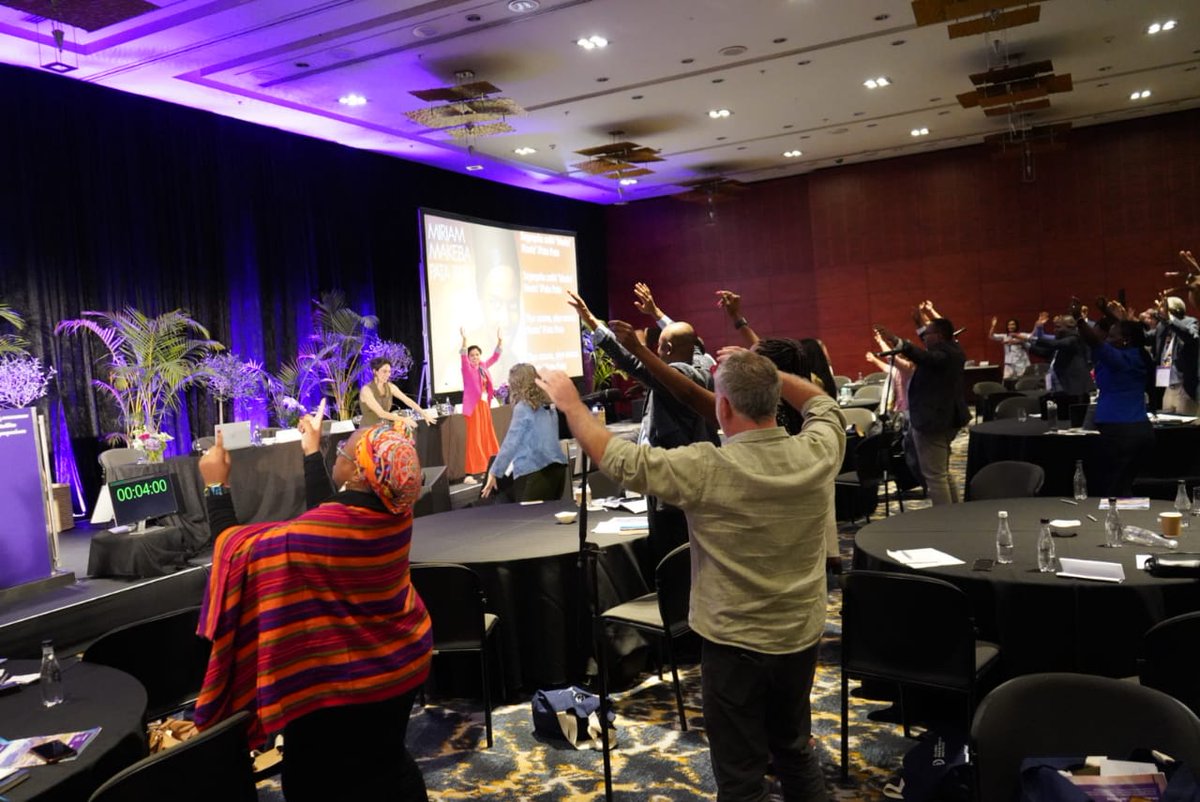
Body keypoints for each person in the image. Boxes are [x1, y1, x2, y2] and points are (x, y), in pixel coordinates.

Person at [537, 348, 844, 802]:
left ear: (722, 406)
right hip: (800, 636)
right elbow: (823, 404)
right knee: (795, 753)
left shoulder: (706, 467)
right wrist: (767, 374)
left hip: (734, 646)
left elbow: (619, 460)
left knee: (741, 778)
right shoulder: (818, 451)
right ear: (775, 399)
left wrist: (572, 404)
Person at [194, 416, 431, 802]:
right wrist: (311, 451)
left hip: (328, 736)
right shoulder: (393, 515)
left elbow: (237, 550)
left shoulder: (302, 541)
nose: (336, 453)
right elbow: (330, 513)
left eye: (342, 451)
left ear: (356, 471)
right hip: (396, 679)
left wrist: (216, 486)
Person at [567, 289, 718, 572]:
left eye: (660, 347)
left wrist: (591, 321)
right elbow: (694, 344)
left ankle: (673, 607)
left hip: (673, 487)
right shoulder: (702, 364)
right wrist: (657, 314)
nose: (657, 353)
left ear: (668, 351)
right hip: (693, 479)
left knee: (672, 559)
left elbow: (633, 362)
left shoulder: (680, 377)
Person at [874, 316, 968, 506]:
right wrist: (918, 325)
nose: (924, 337)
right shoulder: (953, 349)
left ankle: (945, 520)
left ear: (939, 336)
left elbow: (923, 356)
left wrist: (895, 340)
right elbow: (926, 353)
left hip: (932, 421)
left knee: (934, 476)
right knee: (942, 471)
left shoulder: (941, 355)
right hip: (947, 418)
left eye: (927, 334)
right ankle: (956, 512)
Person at [1076, 301, 1156, 495]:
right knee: (1123, 485)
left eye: (1112, 337)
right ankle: (1125, 519)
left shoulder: (1122, 359)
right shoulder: (1136, 354)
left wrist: (1079, 319)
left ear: (1125, 340)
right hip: (1134, 429)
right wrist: (1109, 313)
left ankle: (1119, 521)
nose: (1107, 339)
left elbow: (1094, 341)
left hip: (1120, 431)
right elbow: (1126, 330)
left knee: (1115, 488)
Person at [481, 363, 569, 502]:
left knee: (530, 520)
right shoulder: (548, 404)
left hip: (535, 472)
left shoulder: (523, 408)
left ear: (516, 383)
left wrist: (494, 472)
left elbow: (511, 442)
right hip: (558, 470)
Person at [461, 326, 502, 483]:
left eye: (477, 355)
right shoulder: (466, 368)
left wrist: (500, 341)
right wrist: (464, 340)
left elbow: (495, 357)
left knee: (486, 437)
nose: (475, 357)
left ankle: (487, 468)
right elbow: (463, 356)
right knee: (474, 439)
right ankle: (469, 474)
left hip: (484, 406)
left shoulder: (483, 367)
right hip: (473, 408)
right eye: (472, 355)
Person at [1024, 312, 1091, 401]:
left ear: (1070, 328)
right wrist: (1024, 345)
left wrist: (1027, 338)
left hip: (1074, 390)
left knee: (1073, 413)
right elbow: (1043, 352)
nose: (1055, 330)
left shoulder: (1074, 339)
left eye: (1058, 327)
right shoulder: (1060, 341)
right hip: (1059, 389)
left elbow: (1054, 344)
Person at [1151, 296, 1199, 415]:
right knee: (1167, 427)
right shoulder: (1162, 326)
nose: (1159, 309)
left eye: (1163, 307)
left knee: (1186, 429)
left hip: (1184, 387)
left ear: (1173, 309)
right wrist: (1125, 322)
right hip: (1167, 387)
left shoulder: (1190, 322)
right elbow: (1145, 338)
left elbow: (1191, 337)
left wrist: (1170, 321)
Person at [360, 356, 437, 428]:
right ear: (375, 371)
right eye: (384, 371)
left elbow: (407, 400)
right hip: (368, 431)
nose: (387, 374)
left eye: (389, 372)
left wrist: (424, 414)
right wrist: (403, 419)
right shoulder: (366, 390)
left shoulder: (390, 386)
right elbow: (381, 413)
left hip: (384, 428)